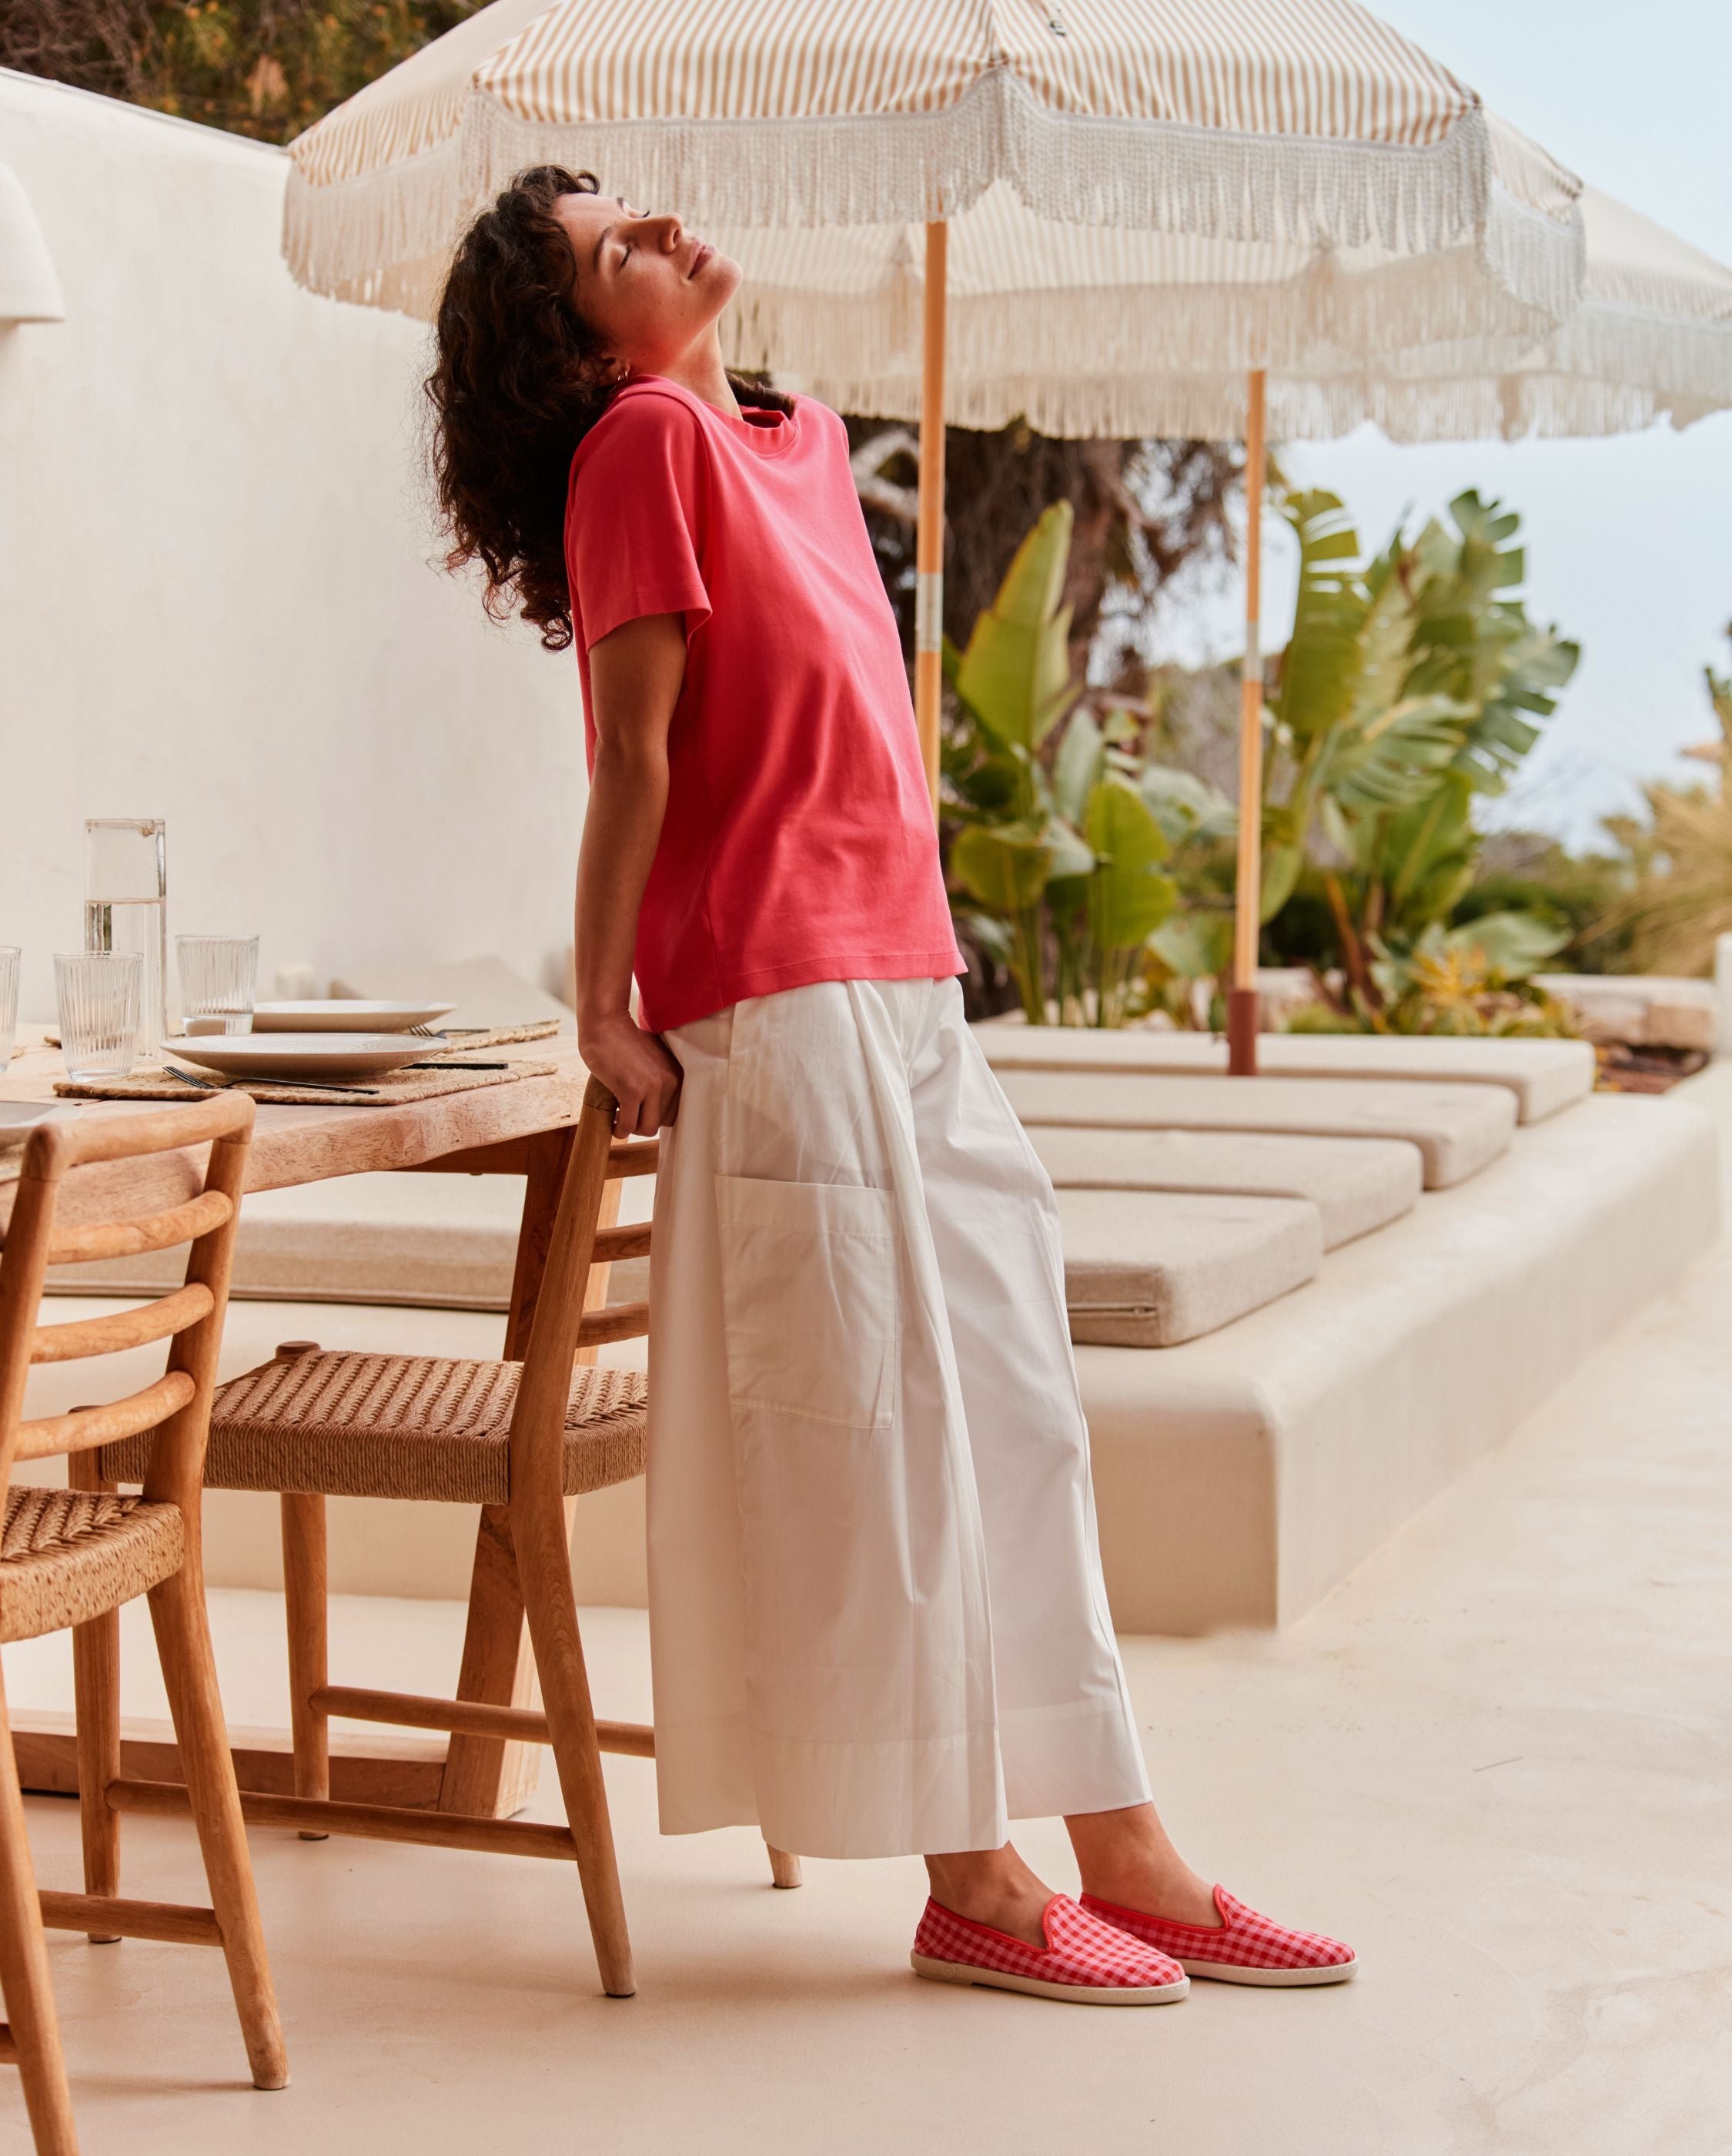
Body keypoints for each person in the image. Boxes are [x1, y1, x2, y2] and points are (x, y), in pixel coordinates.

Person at [426, 165, 1355, 2005]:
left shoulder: (798, 437)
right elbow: (635, 755)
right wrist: (601, 1005)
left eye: (644, 213)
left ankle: (1129, 1844)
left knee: (1019, 1405)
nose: (668, 232)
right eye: (620, 251)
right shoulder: (638, 452)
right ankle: (973, 1876)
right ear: (578, 340)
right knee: (890, 1435)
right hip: (774, 998)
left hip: (909, 976)